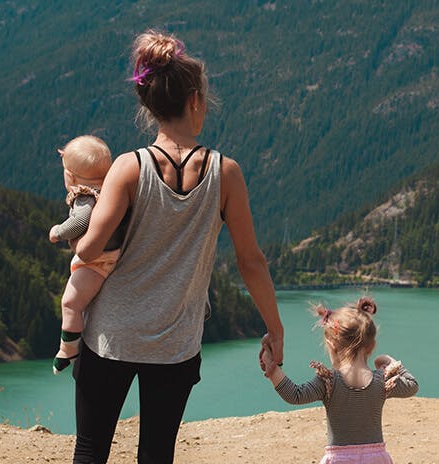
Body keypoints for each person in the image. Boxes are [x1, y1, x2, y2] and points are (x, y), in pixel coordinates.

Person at [70, 29, 285, 463]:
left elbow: (88, 250)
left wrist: (77, 204)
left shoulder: (129, 168)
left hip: (111, 336)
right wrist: (275, 329)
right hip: (176, 344)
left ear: (150, 106)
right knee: (157, 454)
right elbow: (251, 261)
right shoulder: (227, 174)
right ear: (195, 102)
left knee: (91, 450)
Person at [262, 296, 419, 464]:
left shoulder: (329, 381)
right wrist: (390, 362)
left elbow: (295, 395)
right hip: (376, 460)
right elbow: (412, 385)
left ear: (331, 344)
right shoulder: (381, 381)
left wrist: (272, 368)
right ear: (371, 345)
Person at [47, 135, 120, 374]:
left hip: (98, 262)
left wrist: (58, 232)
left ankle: (67, 349)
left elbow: (80, 222)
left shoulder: (85, 197)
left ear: (70, 176)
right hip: (117, 254)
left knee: (70, 303)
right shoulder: (112, 190)